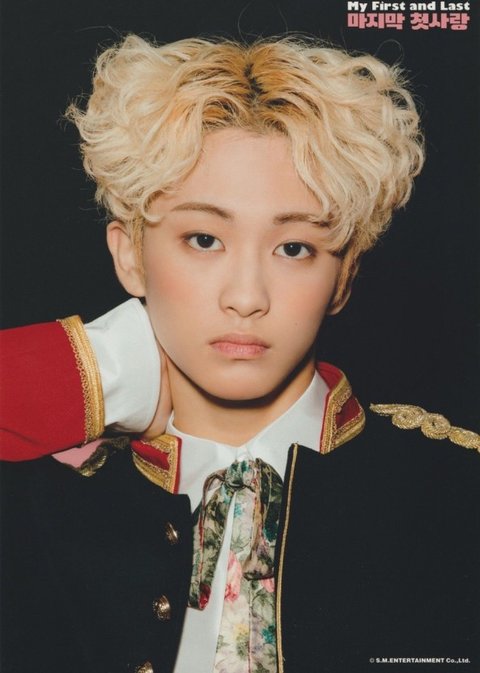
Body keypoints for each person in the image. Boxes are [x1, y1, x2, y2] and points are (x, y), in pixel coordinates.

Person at [1, 35, 478, 673]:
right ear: (130, 256)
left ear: (343, 277)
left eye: (294, 248)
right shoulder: (43, 505)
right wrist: (98, 369)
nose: (247, 298)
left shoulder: (455, 492)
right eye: (204, 239)